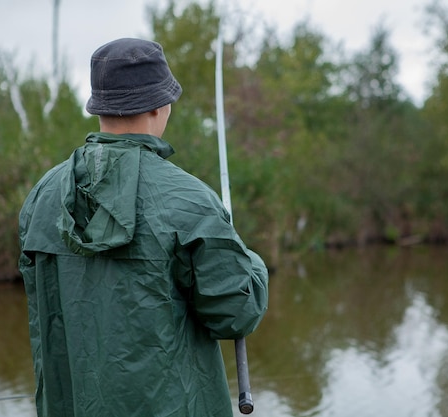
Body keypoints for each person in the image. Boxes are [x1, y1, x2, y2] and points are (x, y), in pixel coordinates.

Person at [18, 38, 269, 417]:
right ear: (159, 105)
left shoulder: (41, 197)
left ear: (97, 106)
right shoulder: (192, 201)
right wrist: (250, 261)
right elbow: (236, 311)